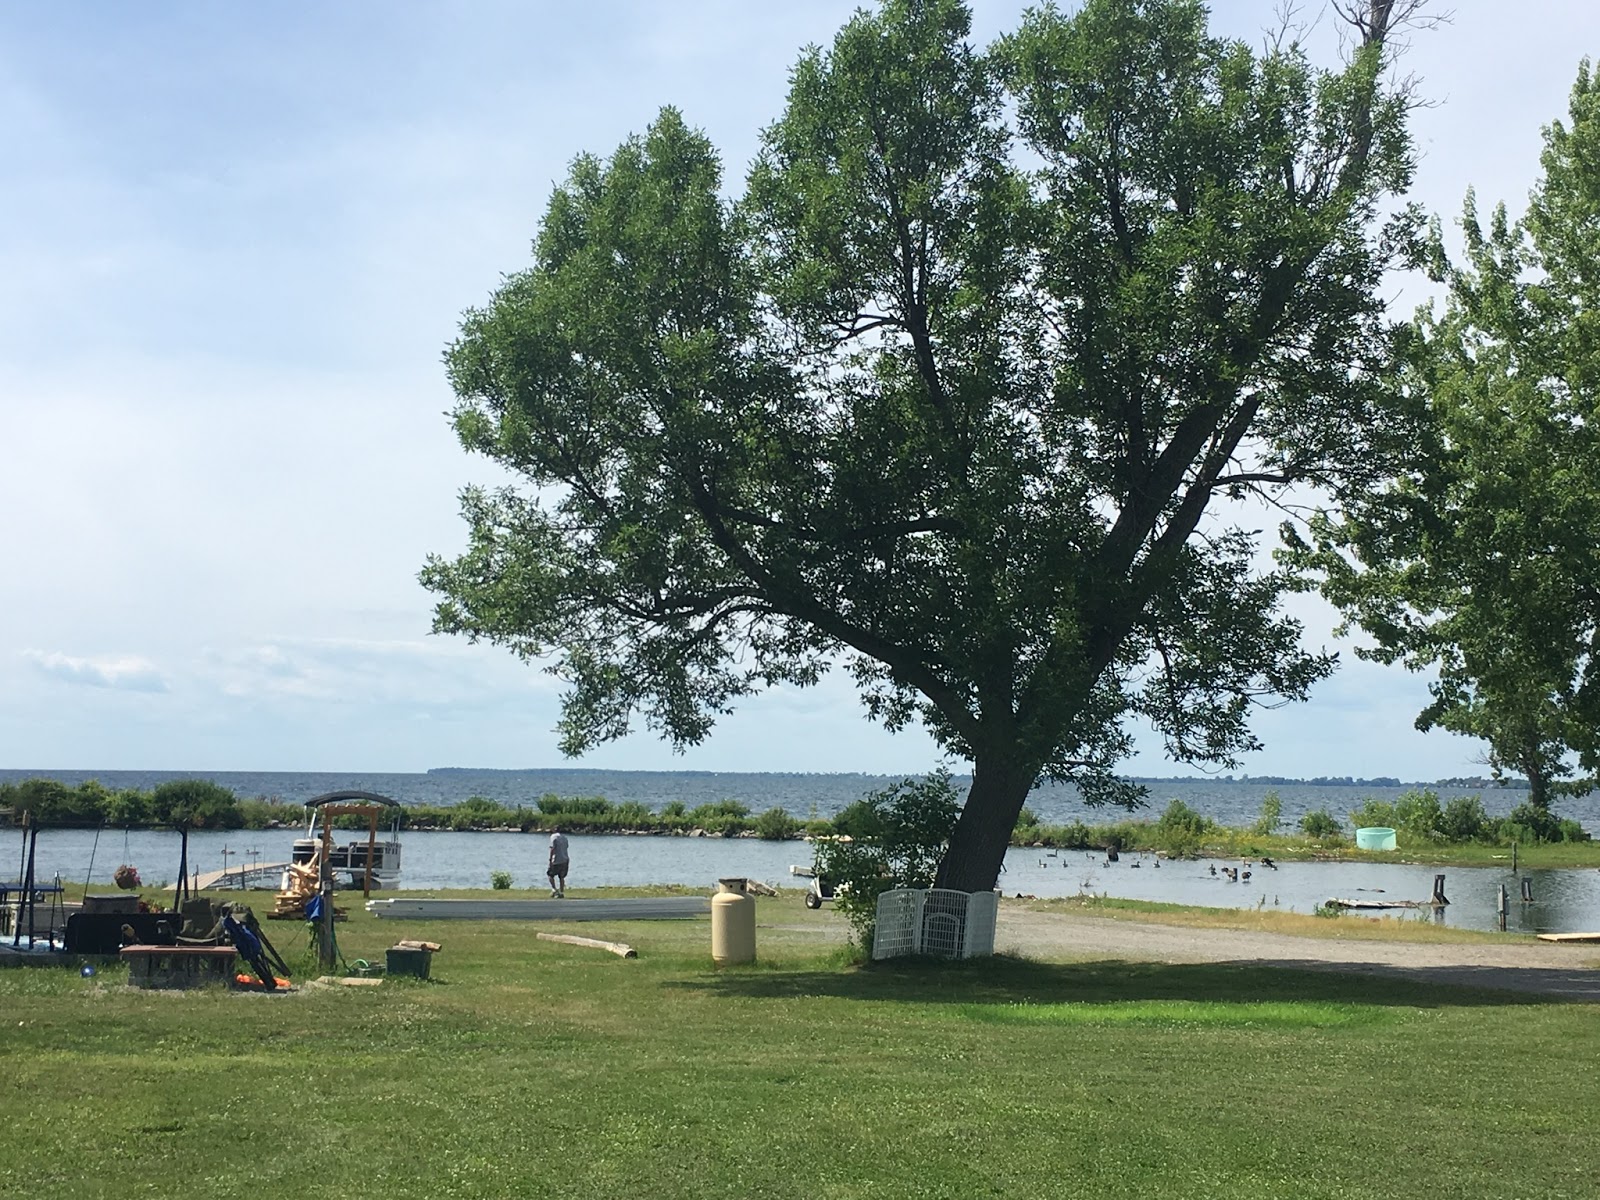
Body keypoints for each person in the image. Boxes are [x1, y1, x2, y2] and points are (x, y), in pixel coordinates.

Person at [547, 829, 570, 898]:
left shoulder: (553, 837)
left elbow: (552, 849)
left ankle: (554, 889)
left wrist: (550, 859)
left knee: (550, 875)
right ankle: (561, 892)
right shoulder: (565, 838)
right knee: (561, 877)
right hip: (565, 859)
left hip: (556, 859)